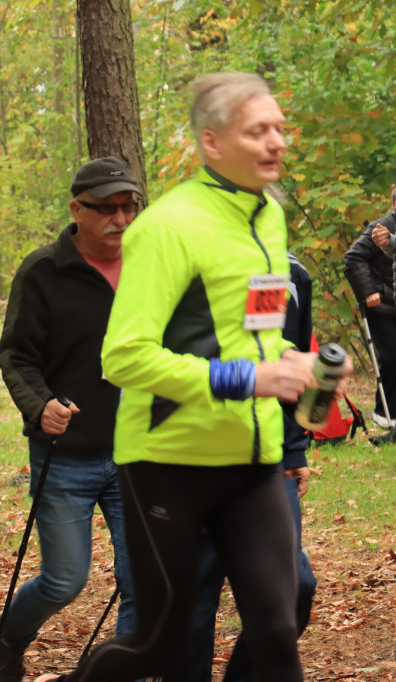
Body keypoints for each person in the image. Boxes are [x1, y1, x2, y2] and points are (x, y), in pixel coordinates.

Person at [34, 72, 350, 682]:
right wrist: (245, 379)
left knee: (279, 627)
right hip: (168, 465)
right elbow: (123, 358)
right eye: (258, 130)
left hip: (251, 462)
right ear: (212, 142)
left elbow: (251, 330)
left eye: (280, 128)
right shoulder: (167, 227)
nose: (277, 141)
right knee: (158, 644)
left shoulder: (268, 219)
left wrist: (297, 364)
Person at [0, 157, 142, 681]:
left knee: (140, 579)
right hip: (66, 455)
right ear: (77, 210)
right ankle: (10, 640)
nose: (121, 220)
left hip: (137, 451)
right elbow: (16, 355)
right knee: (63, 580)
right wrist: (41, 406)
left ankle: (123, 672)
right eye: (107, 210)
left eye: (129, 207)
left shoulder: (150, 266)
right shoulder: (43, 270)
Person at [165, 252, 318, 682]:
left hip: (263, 464)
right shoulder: (185, 264)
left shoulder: (290, 275)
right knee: (192, 609)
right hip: (192, 459)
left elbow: (274, 353)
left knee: (294, 588)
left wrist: (294, 451)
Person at [345, 187, 396, 427]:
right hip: (382, 305)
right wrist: (369, 291)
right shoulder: (381, 228)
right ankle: (384, 415)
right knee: (393, 356)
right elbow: (353, 257)